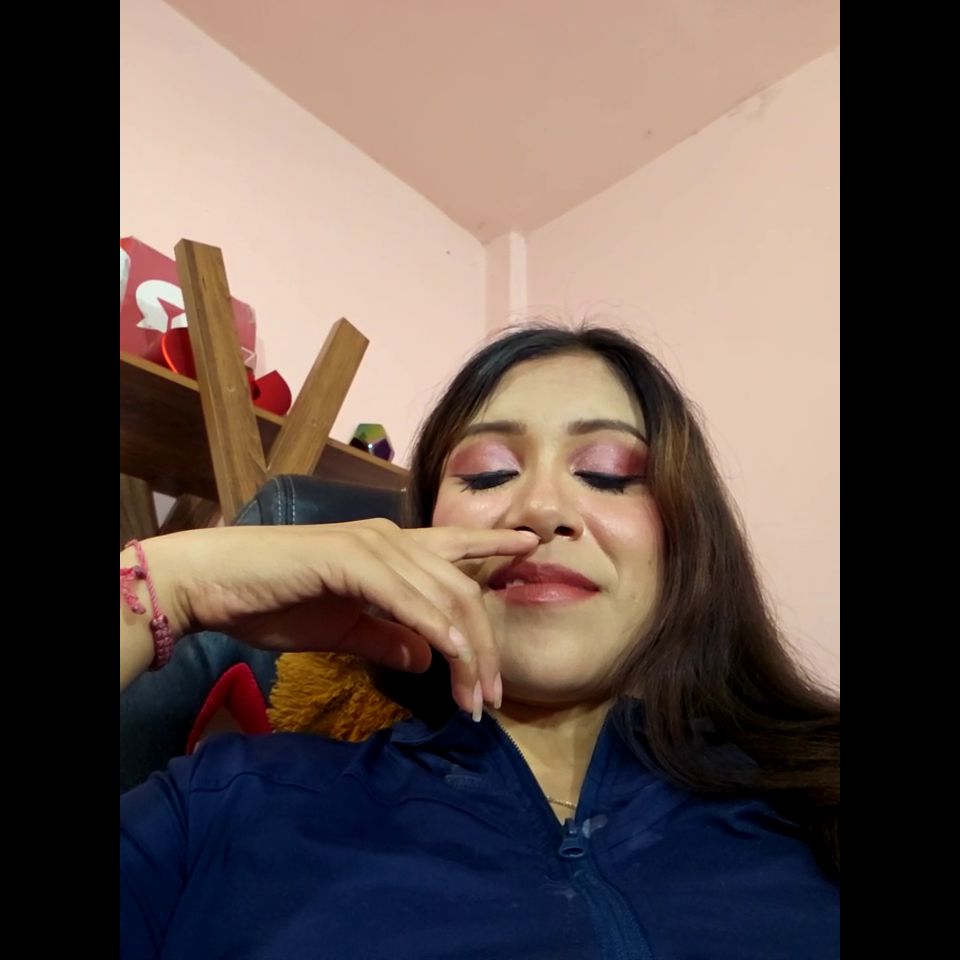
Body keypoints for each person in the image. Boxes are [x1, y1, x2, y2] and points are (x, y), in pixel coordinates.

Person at [120, 323, 840, 959]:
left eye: (608, 474)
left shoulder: (817, 793)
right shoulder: (226, 806)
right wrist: (171, 584)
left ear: (688, 542)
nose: (543, 509)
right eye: (489, 472)